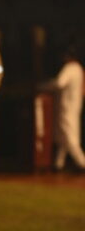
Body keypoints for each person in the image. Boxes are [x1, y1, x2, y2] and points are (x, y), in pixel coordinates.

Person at [38, 43, 85, 171]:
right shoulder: (79, 68)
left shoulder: (70, 67)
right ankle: (58, 163)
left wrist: (44, 86)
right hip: (74, 105)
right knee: (63, 136)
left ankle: (82, 162)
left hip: (67, 106)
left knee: (69, 135)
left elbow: (59, 83)